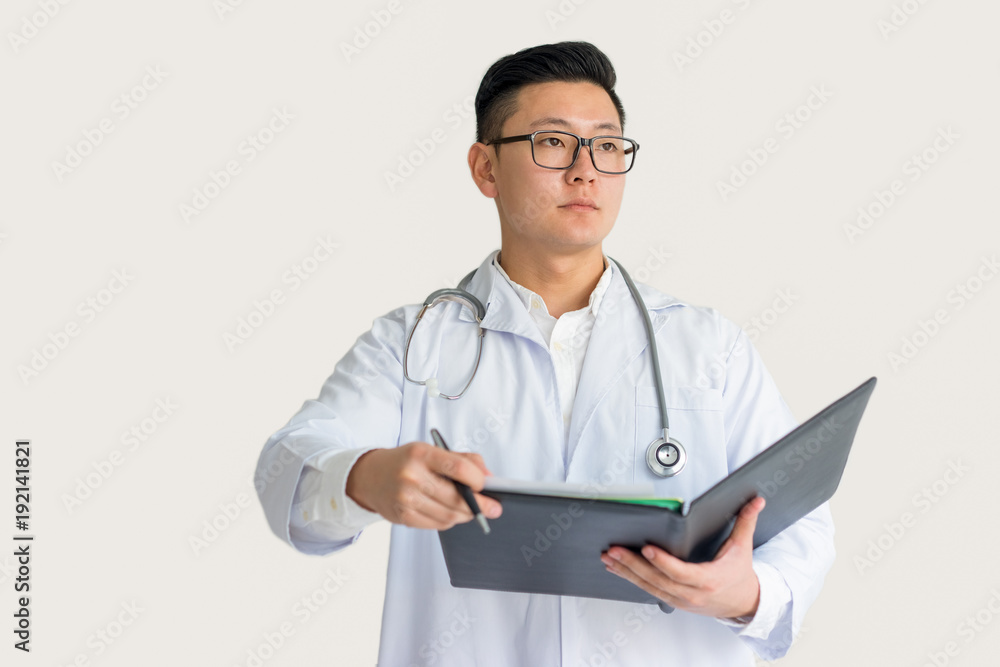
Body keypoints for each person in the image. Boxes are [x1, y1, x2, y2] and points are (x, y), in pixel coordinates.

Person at [255, 41, 834, 666]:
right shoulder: (411, 343)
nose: (586, 170)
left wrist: (746, 595)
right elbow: (285, 472)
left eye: (606, 146)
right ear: (486, 168)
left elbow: (800, 525)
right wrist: (368, 479)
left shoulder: (708, 346)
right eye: (553, 142)